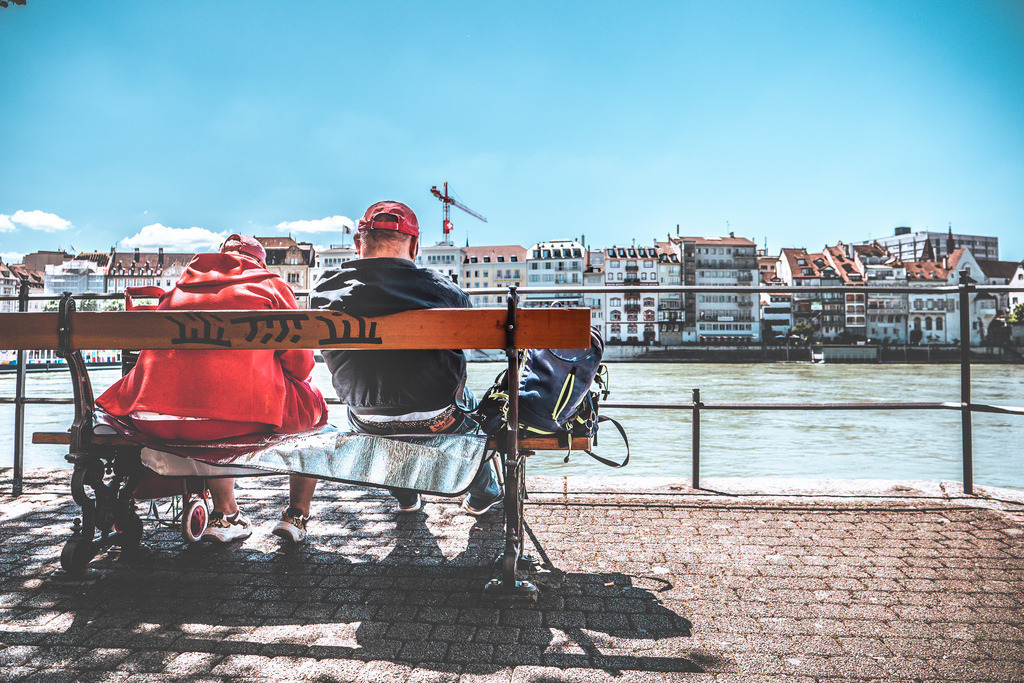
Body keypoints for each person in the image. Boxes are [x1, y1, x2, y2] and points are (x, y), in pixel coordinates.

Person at [96, 235, 327, 543]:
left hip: (159, 422)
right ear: (259, 261)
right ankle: (296, 514)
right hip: (234, 421)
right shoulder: (271, 286)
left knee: (213, 401)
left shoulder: (177, 290)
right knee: (311, 409)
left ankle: (226, 514)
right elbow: (301, 366)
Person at [294, 200, 500, 531]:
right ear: (415, 246)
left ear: (358, 243)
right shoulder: (441, 288)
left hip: (366, 419)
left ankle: (406, 497)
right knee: (471, 407)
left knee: (386, 405)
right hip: (439, 417)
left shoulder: (324, 290)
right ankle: (483, 493)